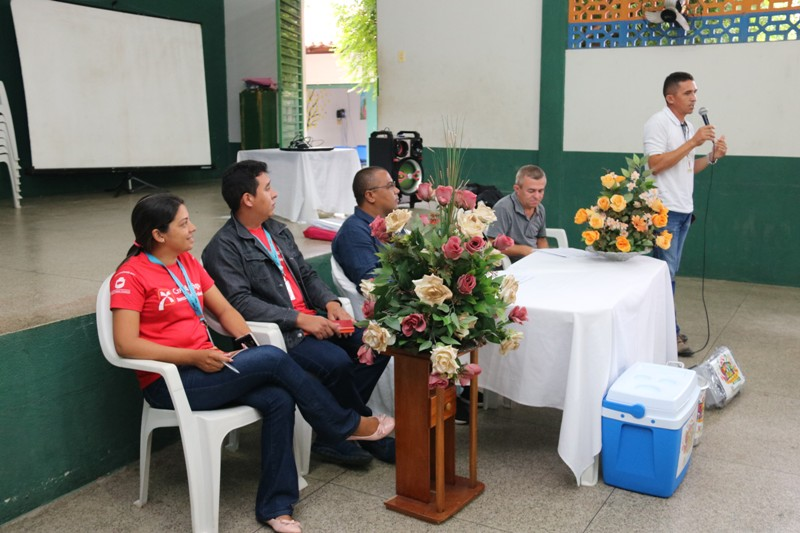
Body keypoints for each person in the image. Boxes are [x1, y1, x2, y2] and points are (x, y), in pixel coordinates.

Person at [110, 193, 393, 533]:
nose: (193, 228)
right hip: (172, 382)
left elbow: (226, 310)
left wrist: (245, 344)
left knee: (278, 397)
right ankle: (344, 425)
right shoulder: (131, 276)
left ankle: (275, 506)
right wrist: (195, 356)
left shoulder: (186, 263)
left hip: (210, 366)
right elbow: (126, 344)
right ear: (158, 234)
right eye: (184, 223)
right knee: (274, 359)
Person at [202, 160, 394, 466]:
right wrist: (300, 319)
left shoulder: (277, 231)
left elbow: (307, 276)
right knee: (337, 362)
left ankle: (340, 432)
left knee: (378, 345)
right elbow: (240, 303)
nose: (275, 193)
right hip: (283, 334)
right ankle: (354, 429)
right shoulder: (223, 248)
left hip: (313, 319)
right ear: (247, 199)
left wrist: (331, 303)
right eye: (267, 188)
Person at [643, 71, 727, 356]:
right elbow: (655, 164)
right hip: (663, 210)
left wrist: (711, 157)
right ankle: (669, 334)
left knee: (669, 274)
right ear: (671, 97)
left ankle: (664, 330)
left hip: (683, 210)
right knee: (665, 275)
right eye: (688, 93)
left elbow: (688, 168)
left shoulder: (688, 127)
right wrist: (693, 143)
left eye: (695, 93)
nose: (694, 98)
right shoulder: (658, 123)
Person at [331, 166, 399, 288]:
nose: (397, 190)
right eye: (390, 186)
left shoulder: (390, 224)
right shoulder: (353, 232)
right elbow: (372, 282)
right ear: (370, 196)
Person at [485, 164, 549, 262]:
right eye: (531, 191)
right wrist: (523, 250)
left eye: (540, 191)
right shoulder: (503, 208)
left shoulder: (540, 209)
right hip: (509, 265)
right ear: (517, 189)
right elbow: (492, 243)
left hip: (534, 262)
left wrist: (546, 258)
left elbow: (541, 239)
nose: (537, 196)